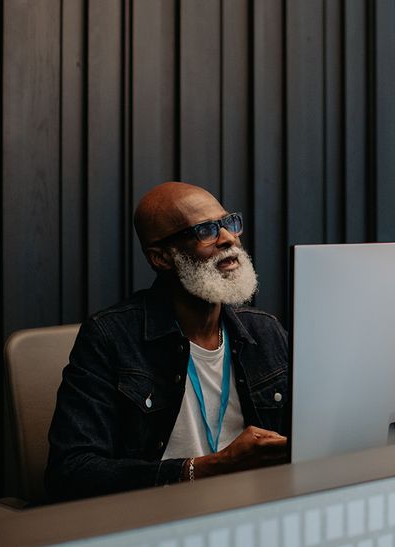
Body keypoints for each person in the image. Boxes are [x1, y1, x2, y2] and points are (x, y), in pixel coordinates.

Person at [46, 182, 289, 502]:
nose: (229, 238)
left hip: (252, 513)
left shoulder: (264, 332)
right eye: (206, 230)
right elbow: (72, 471)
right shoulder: (109, 337)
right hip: (155, 517)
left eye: (228, 223)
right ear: (161, 258)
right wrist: (210, 467)